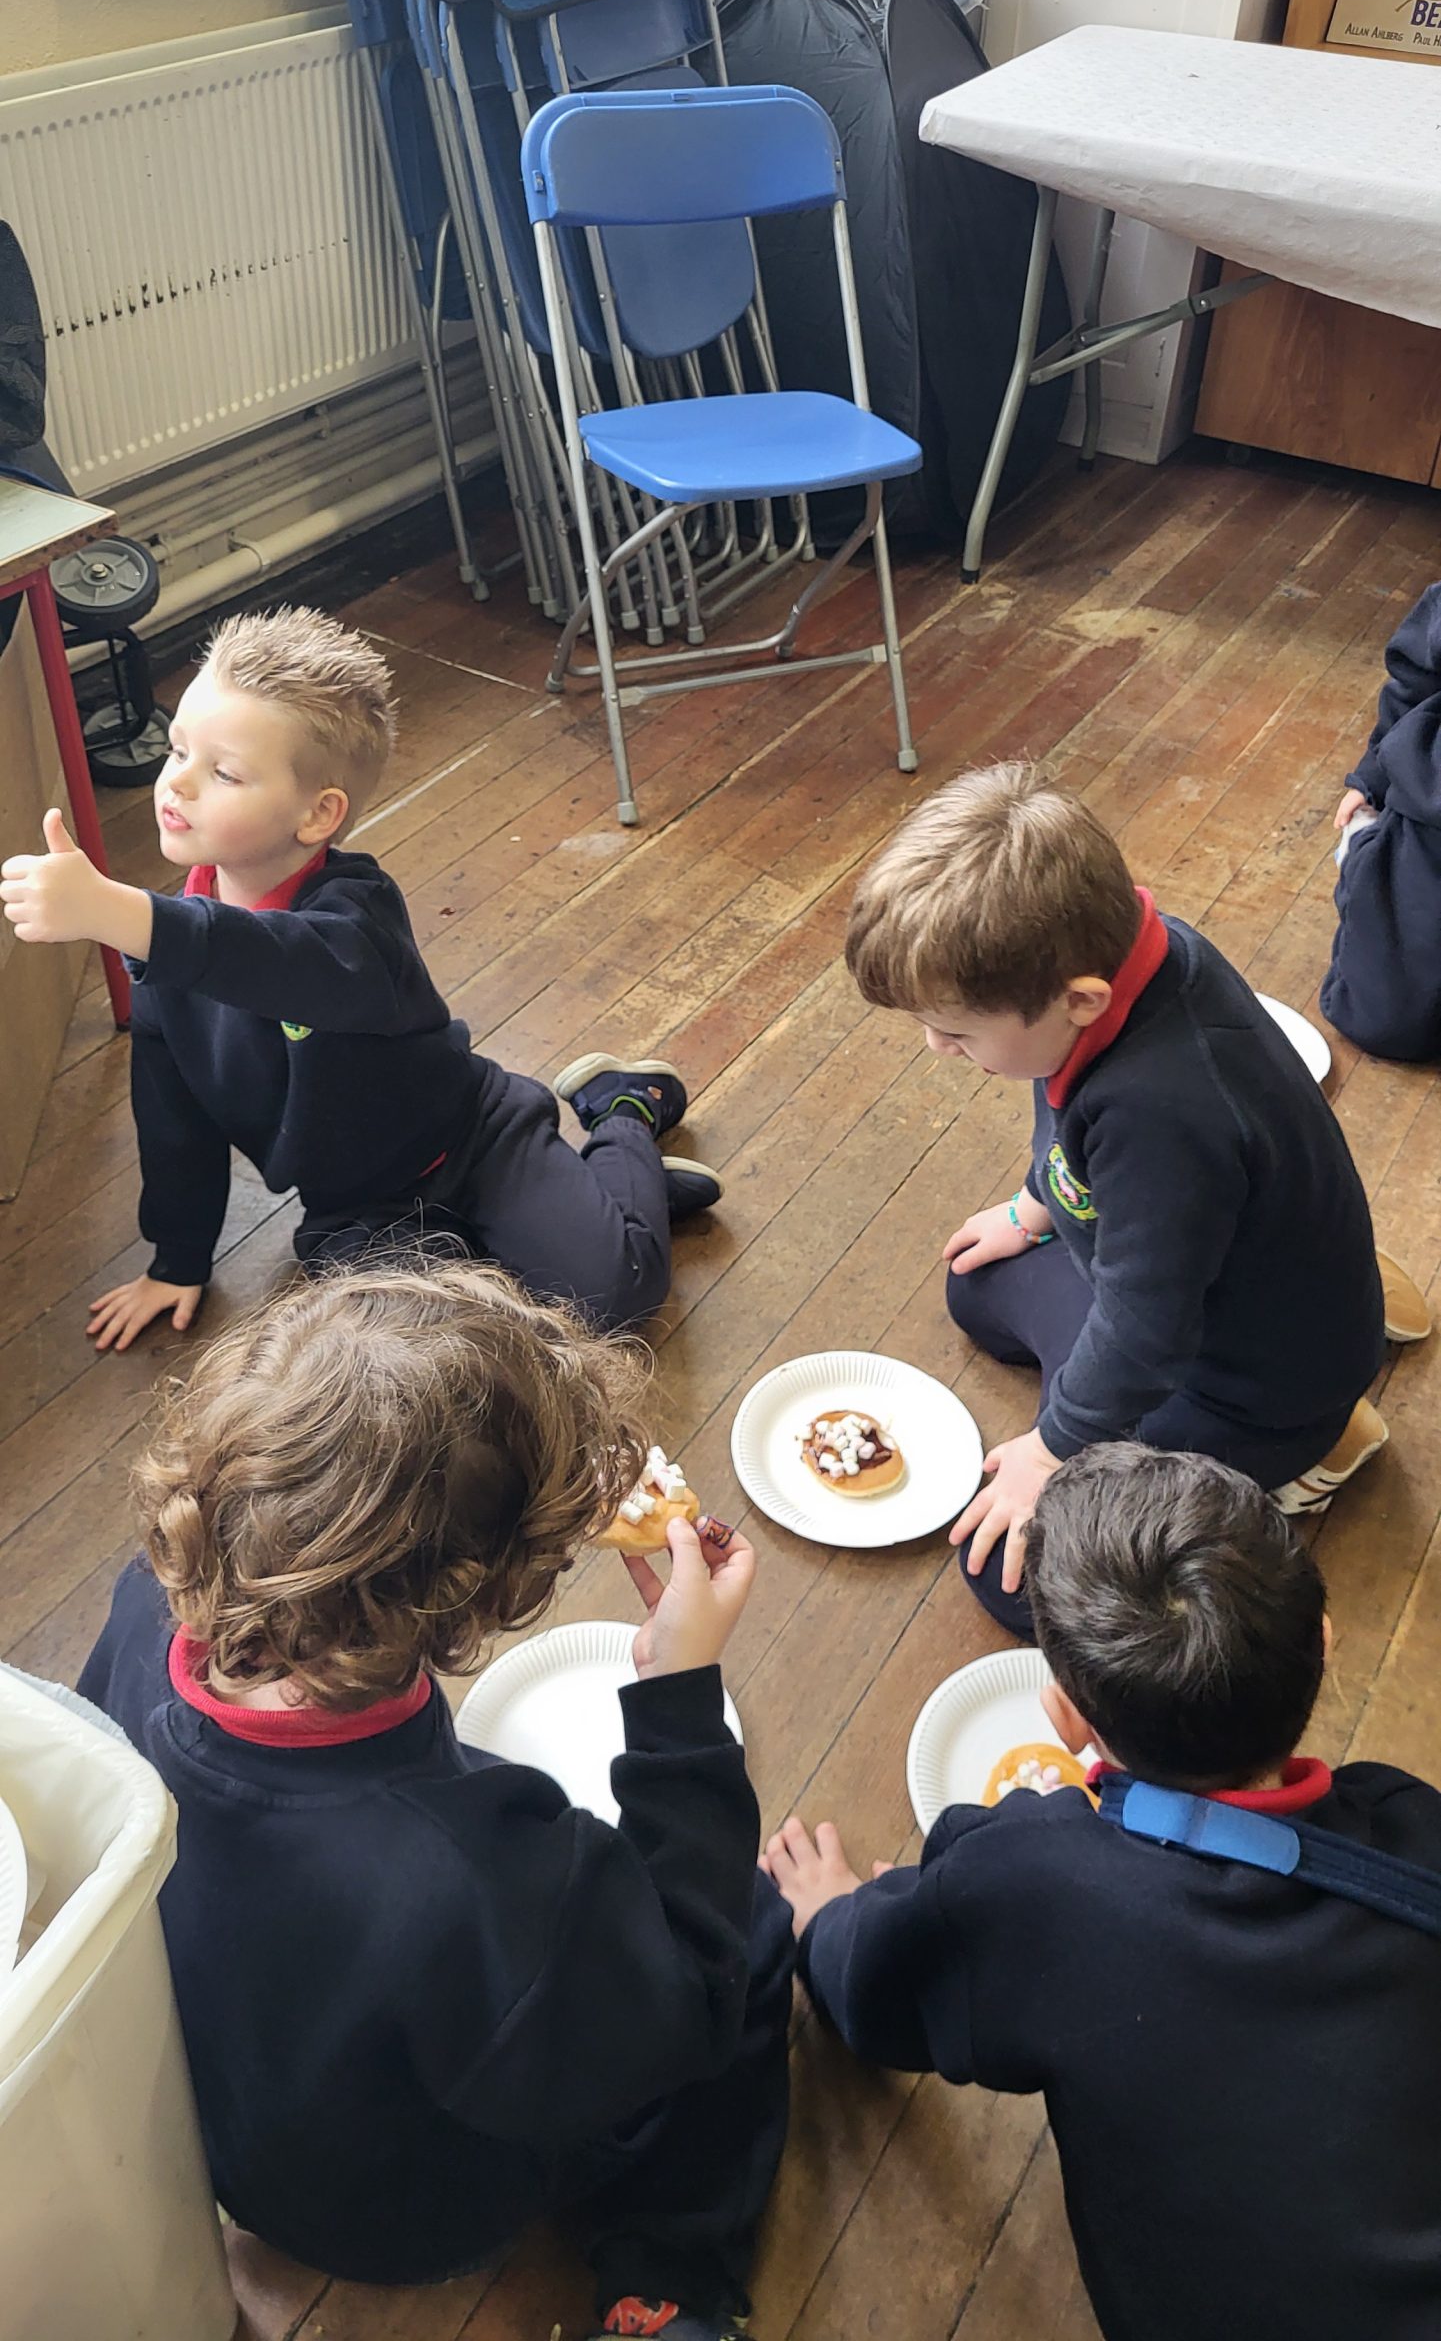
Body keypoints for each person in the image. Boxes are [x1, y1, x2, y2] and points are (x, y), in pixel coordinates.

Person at [78, 1260, 790, 2341]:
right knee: (756, 1932)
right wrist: (679, 1698)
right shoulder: (478, 1873)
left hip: (225, 2143)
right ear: (478, 1595)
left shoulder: (147, 1608)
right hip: (412, 2216)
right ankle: (666, 2276)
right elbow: (685, 1999)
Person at [764, 1444, 1441, 2341]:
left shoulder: (1036, 1882)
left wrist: (831, 1919)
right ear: (1321, 1640)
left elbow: (880, 2000)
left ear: (1066, 1717)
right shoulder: (1409, 1822)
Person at [0, 607, 721, 1351]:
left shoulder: (356, 917)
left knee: (615, 1298)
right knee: (420, 1355)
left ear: (319, 815)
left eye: (223, 772)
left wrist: (120, 912)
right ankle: (607, 1202)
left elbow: (278, 961)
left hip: (477, 1143)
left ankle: (622, 1115)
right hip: (357, 1208)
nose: (175, 781)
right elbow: (172, 1122)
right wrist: (177, 1260)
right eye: (177, 749)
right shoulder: (161, 957)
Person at [844, 761, 1422, 1639]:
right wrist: (1033, 1207)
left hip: (1248, 1389)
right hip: (1199, 1294)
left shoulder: (1162, 1110)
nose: (935, 1047)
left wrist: (1052, 1448)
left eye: (957, 1031)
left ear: (1081, 1000)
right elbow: (1066, 1117)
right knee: (977, 1284)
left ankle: (1314, 1447)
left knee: (1007, 1574)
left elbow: (1146, 1330)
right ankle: (1142, 1411)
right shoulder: (1137, 954)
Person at [1321, 578, 1441, 1061]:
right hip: (1428, 822)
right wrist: (1372, 776)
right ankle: (1367, 850)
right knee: (1385, 1021)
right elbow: (1415, 684)